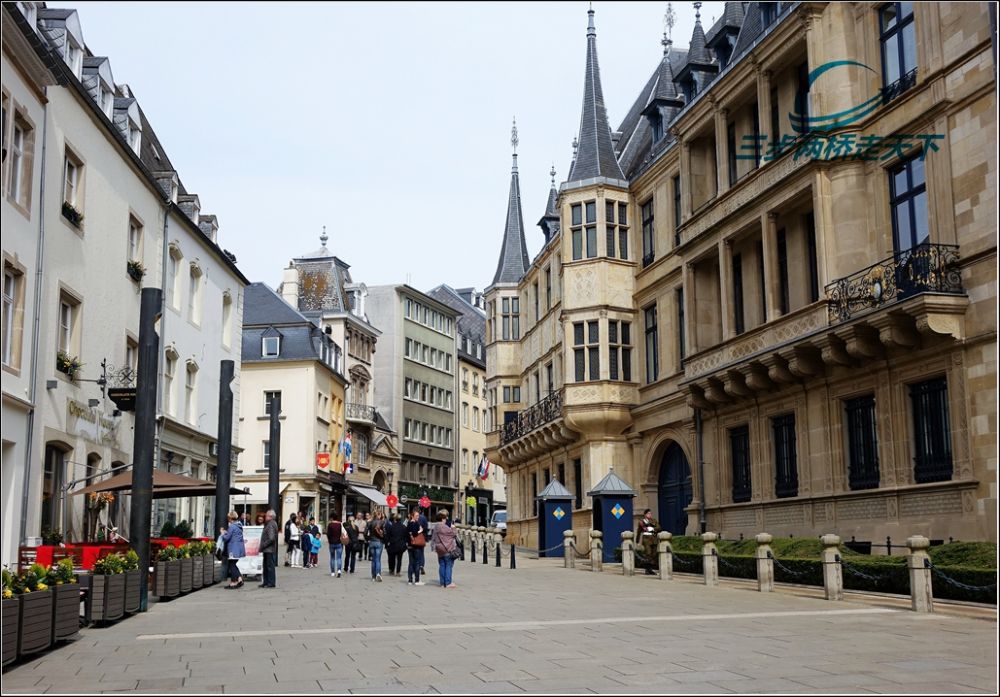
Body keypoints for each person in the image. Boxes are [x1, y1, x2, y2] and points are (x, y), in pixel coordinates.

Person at [433, 509, 458, 588]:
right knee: (448, 565)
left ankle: (442, 582)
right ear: (442, 518)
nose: (446, 519)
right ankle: (447, 583)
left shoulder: (436, 526)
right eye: (445, 518)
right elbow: (453, 534)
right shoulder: (443, 526)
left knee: (442, 565)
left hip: (439, 549)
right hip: (446, 548)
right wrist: (453, 527)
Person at [220, 511, 246, 589]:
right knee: (233, 564)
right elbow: (234, 535)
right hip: (238, 549)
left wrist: (222, 533)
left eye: (228, 518)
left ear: (230, 518)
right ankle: (239, 579)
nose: (228, 520)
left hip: (233, 549)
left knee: (232, 565)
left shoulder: (232, 526)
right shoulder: (239, 525)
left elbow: (226, 538)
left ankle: (233, 582)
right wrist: (227, 532)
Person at [636, 508, 661, 575]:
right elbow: (639, 531)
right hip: (646, 539)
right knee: (648, 553)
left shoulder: (654, 520)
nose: (650, 515)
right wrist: (637, 541)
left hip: (654, 539)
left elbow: (659, 528)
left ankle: (650, 569)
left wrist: (652, 528)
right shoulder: (642, 522)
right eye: (648, 513)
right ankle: (647, 569)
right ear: (645, 514)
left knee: (654, 554)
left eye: (650, 513)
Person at [406, 508, 426, 586]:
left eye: (418, 515)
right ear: (412, 516)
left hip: (410, 546)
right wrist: (420, 530)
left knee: (411, 563)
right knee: (417, 562)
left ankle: (410, 580)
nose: (418, 517)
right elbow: (414, 533)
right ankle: (417, 580)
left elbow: (408, 534)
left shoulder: (408, 524)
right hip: (416, 546)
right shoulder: (415, 523)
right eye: (416, 515)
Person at [259, 509, 279, 588]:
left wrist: (263, 545)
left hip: (269, 549)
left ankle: (270, 582)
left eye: (266, 515)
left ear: (270, 516)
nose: (265, 517)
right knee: (266, 566)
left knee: (269, 567)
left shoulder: (271, 524)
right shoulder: (271, 523)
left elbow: (271, 538)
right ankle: (266, 582)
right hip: (268, 549)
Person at [368, 510, 386, 582]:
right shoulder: (382, 522)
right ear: (379, 515)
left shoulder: (369, 522)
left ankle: (373, 576)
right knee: (378, 559)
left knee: (373, 559)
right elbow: (385, 533)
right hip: (379, 542)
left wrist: (368, 539)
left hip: (372, 542)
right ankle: (378, 573)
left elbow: (366, 532)